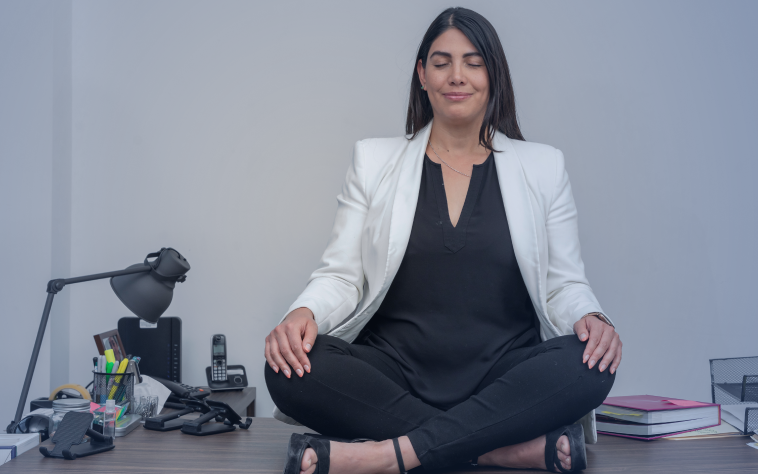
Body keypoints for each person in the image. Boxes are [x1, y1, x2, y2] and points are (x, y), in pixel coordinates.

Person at [264, 7, 622, 474]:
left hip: (502, 373)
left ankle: (382, 456)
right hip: (392, 374)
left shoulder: (543, 167)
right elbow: (342, 275)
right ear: (422, 74)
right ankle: (496, 449)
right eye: (442, 62)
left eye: (473, 62)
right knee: (287, 364)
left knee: (592, 360)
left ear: (493, 74)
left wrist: (592, 317)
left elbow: (562, 284)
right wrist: (302, 313)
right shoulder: (374, 160)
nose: (457, 76)